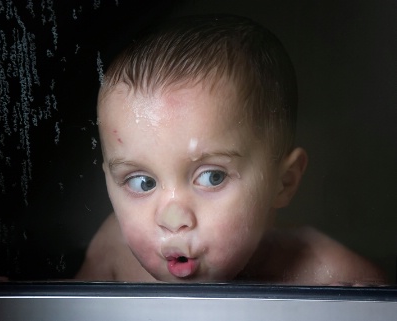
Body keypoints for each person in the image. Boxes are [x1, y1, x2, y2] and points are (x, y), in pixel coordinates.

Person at [75, 15, 386, 285]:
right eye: (142, 182)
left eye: (212, 177)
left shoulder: (335, 278)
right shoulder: (111, 251)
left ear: (285, 181)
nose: (172, 218)